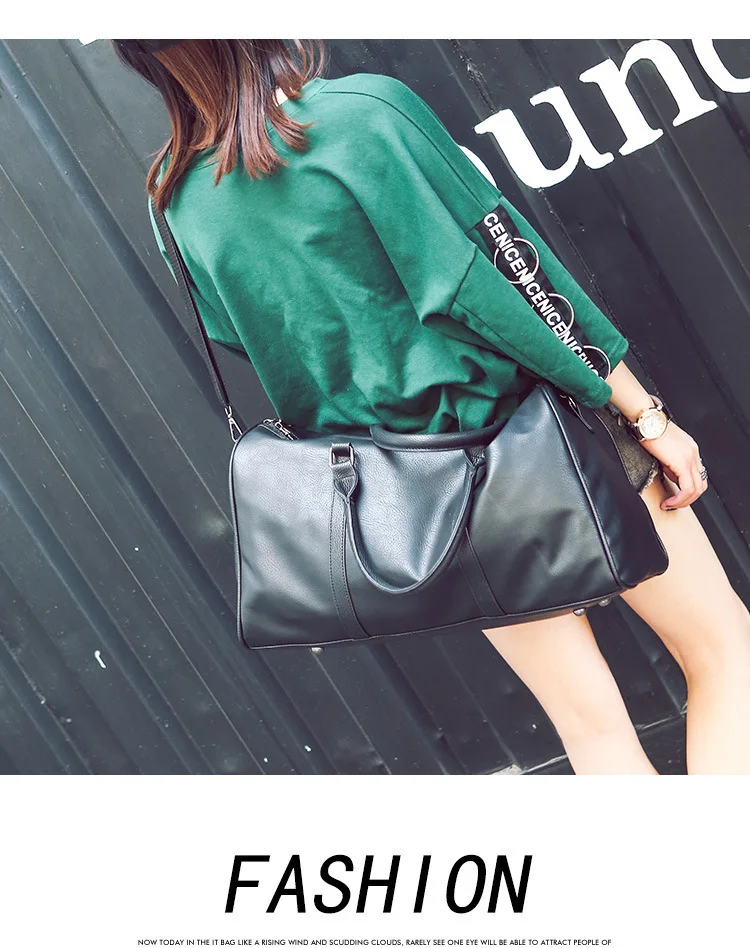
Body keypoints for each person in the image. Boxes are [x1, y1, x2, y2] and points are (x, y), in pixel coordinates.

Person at [113, 39, 750, 775]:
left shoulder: (174, 199)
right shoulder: (364, 113)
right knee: (722, 650)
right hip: (552, 436)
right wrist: (643, 413)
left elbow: (236, 333)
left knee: (592, 729)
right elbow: (509, 280)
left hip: (418, 498)